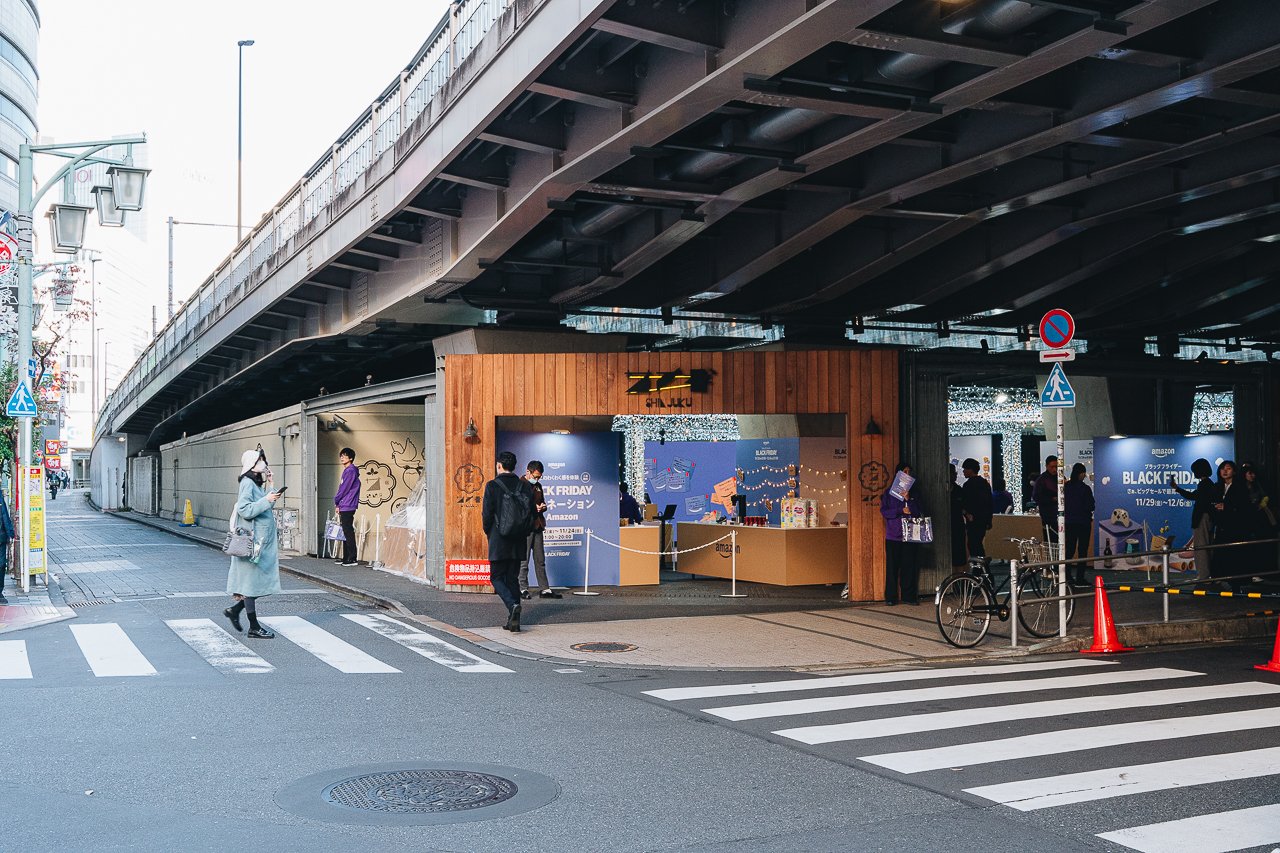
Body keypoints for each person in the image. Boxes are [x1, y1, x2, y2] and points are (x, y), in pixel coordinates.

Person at [224, 448, 282, 639]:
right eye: (261, 460)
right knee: (251, 583)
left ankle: (236, 610)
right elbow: (245, 509)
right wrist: (266, 499)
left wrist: (271, 488)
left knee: (254, 582)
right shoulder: (247, 482)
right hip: (253, 541)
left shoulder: (255, 483)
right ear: (252, 463)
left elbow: (265, 506)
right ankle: (254, 626)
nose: (264, 462)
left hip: (260, 540)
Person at [482, 450, 536, 632]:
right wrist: (524, 532)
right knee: (512, 579)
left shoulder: (492, 486)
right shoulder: (525, 486)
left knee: (496, 577)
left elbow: (487, 514)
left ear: (499, 465)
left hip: (499, 538)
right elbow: (532, 514)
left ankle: (512, 605)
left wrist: (488, 532)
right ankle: (514, 622)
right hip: (518, 538)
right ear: (514, 466)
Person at [1170, 458, 1218, 583]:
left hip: (1202, 518)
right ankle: (1210, 575)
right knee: (1208, 547)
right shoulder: (1209, 484)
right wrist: (1178, 489)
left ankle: (1203, 576)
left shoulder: (1204, 484)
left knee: (1201, 548)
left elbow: (1194, 496)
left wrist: (1178, 489)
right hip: (1209, 519)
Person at [880, 463, 923, 605]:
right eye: (904, 471)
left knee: (909, 566)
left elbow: (917, 513)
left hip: (910, 535)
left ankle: (909, 596)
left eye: (909, 472)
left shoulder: (915, 493)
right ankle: (891, 597)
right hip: (893, 535)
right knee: (892, 568)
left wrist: (908, 499)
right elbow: (885, 512)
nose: (907, 474)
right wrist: (900, 511)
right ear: (898, 474)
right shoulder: (888, 493)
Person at [519, 460, 560, 600]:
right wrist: (532, 509)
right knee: (523, 560)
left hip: (538, 525)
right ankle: (522, 588)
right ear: (528, 472)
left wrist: (543, 507)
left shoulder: (538, 486)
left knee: (540, 559)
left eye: (539, 477)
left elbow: (542, 501)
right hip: (525, 527)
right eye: (535, 476)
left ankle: (545, 589)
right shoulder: (519, 485)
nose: (536, 479)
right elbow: (516, 508)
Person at [1211, 459, 1250, 593]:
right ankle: (1222, 580)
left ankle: (1236, 584)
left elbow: (1244, 507)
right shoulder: (1218, 487)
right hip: (1221, 526)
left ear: (1234, 471)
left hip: (1235, 528)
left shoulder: (1240, 487)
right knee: (1221, 555)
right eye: (1222, 469)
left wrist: (1226, 507)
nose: (1225, 471)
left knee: (1235, 556)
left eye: (1228, 468)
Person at [1063, 463, 1095, 586]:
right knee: (1082, 551)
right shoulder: (1085, 489)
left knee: (1069, 550)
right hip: (1083, 523)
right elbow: (1091, 506)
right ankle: (1080, 578)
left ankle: (1067, 576)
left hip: (1070, 522)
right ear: (1081, 473)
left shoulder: (1066, 487)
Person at [960, 459, 993, 560]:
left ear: (971, 470)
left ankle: (980, 569)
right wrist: (989, 520)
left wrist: (966, 513)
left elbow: (964, 503)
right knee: (977, 544)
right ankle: (983, 570)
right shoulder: (985, 484)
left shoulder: (968, 485)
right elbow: (989, 503)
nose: (963, 471)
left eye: (965, 469)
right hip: (983, 520)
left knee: (973, 545)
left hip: (973, 520)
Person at [333, 447, 361, 567]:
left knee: (348, 531)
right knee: (346, 530)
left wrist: (337, 500)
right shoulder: (349, 470)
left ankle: (352, 558)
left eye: (344, 456)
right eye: (341, 455)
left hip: (348, 504)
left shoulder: (350, 471)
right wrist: (339, 504)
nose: (342, 458)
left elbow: (344, 488)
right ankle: (346, 557)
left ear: (350, 458)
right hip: (346, 504)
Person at [1033, 456, 1060, 542]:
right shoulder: (1041, 480)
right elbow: (1036, 496)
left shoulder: (1060, 478)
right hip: (1048, 516)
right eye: (1052, 467)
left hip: (1061, 516)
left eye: (1056, 467)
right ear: (1047, 466)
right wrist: (1051, 499)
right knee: (1050, 541)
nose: (1055, 469)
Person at [949, 463, 966, 568]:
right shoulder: (940, 489)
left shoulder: (959, 490)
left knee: (958, 556)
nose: (955, 475)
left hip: (957, 525)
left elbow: (964, 506)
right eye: (953, 473)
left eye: (955, 473)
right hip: (943, 526)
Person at [0, 498, 14, 602]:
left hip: (1, 537)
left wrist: (10, 531)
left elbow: (4, 514)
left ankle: (0, 593)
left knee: (1, 565)